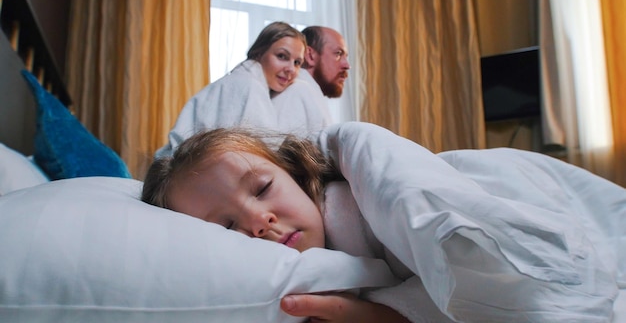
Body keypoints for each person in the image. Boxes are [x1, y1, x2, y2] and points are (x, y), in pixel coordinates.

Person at [142, 123, 623, 323]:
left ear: (293, 170)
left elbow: (428, 211)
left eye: (264, 189)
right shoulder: (305, 279)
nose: (259, 221)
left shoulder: (353, 185)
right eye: (226, 229)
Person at [154, 21, 306, 158]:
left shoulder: (240, 81)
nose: (291, 69)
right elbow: (261, 154)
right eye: (282, 56)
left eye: (297, 62)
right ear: (259, 52)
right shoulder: (248, 86)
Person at [271, 26, 351, 134]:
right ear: (310, 55)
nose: (347, 65)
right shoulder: (296, 90)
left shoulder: (309, 93)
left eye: (345, 56)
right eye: (338, 53)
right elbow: (271, 147)